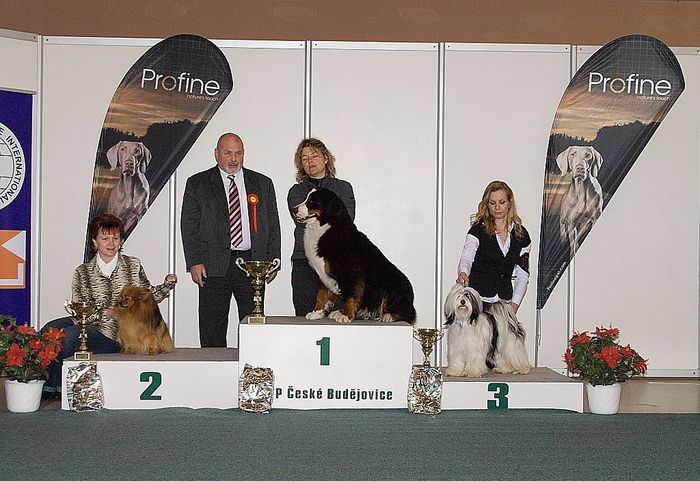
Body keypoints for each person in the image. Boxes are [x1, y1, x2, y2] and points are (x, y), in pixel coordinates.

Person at [41, 214, 177, 396]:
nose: (111, 243)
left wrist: (166, 285)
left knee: (68, 338)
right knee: (48, 330)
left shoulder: (133, 265)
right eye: (105, 238)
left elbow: (148, 296)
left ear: (121, 241)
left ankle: (56, 386)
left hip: (118, 334)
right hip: (92, 322)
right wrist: (104, 313)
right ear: (94, 242)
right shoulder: (82, 272)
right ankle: (52, 383)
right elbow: (80, 307)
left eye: (116, 238)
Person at [181, 133, 281, 347]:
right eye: (228, 153)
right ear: (216, 154)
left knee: (254, 328)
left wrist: (273, 260)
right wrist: (194, 261)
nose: (234, 159)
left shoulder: (262, 183)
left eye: (238, 153)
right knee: (212, 329)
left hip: (252, 265)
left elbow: (273, 224)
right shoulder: (197, 183)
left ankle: (254, 366)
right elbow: (189, 227)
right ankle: (213, 368)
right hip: (212, 266)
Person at [286, 138, 355, 316]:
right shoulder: (296, 191)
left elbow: (346, 219)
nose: (309, 161)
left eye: (314, 156)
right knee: (305, 316)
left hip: (338, 261)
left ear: (325, 158)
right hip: (305, 262)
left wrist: (318, 216)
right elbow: (301, 219)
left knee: (340, 317)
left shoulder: (343, 188)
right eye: (304, 158)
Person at [456, 180, 530, 314]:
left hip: (504, 304)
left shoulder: (521, 235)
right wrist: (463, 273)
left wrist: (513, 307)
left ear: (509, 203)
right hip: (477, 302)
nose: (497, 207)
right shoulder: (477, 230)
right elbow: (467, 256)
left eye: (502, 202)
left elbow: (523, 276)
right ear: (487, 205)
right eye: (492, 203)